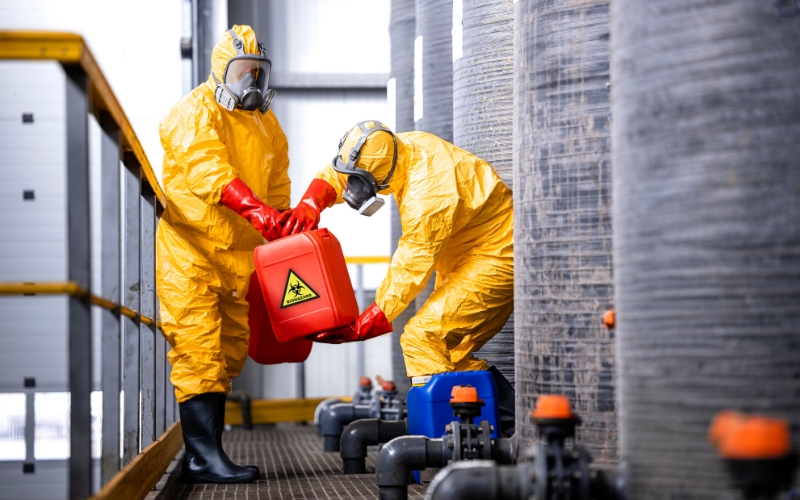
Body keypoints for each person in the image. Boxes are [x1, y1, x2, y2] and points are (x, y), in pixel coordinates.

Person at [281, 121, 516, 435]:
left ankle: (448, 440)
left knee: (422, 338)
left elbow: (411, 263)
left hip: (496, 253)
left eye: (359, 184)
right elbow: (347, 168)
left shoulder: (428, 192)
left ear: (378, 175)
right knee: (450, 352)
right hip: (465, 252)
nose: (351, 188)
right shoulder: (393, 152)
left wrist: (370, 320)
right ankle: (505, 427)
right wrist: (311, 203)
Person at [155, 25, 289, 483]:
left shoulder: (266, 124)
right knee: (199, 349)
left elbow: (277, 185)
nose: (250, 82)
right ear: (220, 73)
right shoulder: (193, 113)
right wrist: (258, 212)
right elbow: (208, 171)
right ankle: (202, 457)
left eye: (257, 72)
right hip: (191, 251)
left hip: (238, 256)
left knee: (229, 351)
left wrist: (284, 224)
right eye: (242, 72)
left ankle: (211, 451)